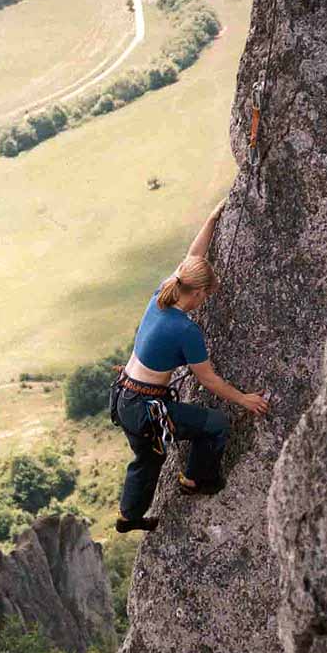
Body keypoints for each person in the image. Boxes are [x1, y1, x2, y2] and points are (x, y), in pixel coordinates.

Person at [114, 198, 269, 533]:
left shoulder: (161, 295)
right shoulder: (185, 330)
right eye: (205, 295)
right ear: (196, 293)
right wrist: (245, 400)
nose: (205, 301)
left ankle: (128, 517)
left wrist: (212, 219)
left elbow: (192, 258)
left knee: (149, 458)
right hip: (146, 409)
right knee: (215, 424)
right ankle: (196, 480)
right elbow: (209, 380)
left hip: (125, 400)